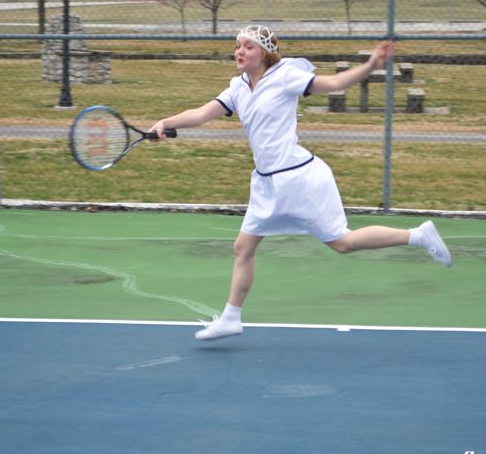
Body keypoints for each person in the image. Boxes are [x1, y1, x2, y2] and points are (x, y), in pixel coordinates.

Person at [149, 26, 452, 341]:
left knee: (343, 244)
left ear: (264, 53)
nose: (239, 52)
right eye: (237, 46)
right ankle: (230, 318)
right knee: (243, 247)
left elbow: (333, 83)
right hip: (266, 183)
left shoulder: (285, 76)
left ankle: (418, 235)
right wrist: (164, 124)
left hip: (299, 179)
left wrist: (370, 66)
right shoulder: (237, 88)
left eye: (248, 47)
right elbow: (200, 114)